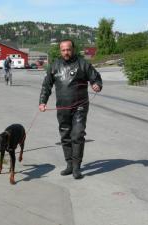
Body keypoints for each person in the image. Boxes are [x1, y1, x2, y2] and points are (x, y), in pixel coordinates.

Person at [39, 39, 103, 179]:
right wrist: (42, 101)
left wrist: (96, 84)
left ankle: (76, 167)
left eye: (68, 49)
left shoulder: (83, 63)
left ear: (73, 49)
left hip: (79, 106)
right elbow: (46, 85)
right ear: (60, 51)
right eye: (63, 50)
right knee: (65, 136)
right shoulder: (54, 66)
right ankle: (69, 164)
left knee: (78, 134)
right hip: (62, 107)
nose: (66, 52)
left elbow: (96, 77)